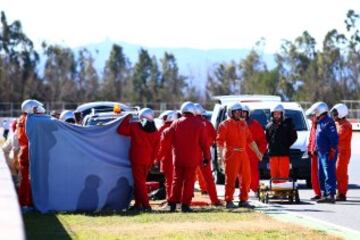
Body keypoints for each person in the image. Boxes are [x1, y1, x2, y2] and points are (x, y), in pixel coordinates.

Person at [164, 101, 210, 212]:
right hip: (192, 158)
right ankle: (185, 205)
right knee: (189, 182)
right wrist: (207, 157)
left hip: (178, 157)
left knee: (176, 181)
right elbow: (204, 143)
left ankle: (172, 203)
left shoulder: (176, 123)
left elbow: (167, 136)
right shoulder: (200, 124)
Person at [217, 103, 263, 209]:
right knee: (231, 179)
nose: (239, 113)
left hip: (243, 154)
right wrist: (220, 157)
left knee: (247, 178)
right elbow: (219, 142)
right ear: (231, 112)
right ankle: (229, 200)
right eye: (236, 111)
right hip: (231, 154)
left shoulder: (244, 124)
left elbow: (250, 140)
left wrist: (257, 152)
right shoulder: (224, 125)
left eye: (240, 111)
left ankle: (244, 200)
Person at [117, 108, 160, 212]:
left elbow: (120, 130)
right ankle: (138, 204)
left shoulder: (135, 126)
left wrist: (127, 117)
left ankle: (146, 205)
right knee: (140, 183)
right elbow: (156, 148)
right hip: (148, 160)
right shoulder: (156, 131)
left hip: (137, 159)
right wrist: (152, 161)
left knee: (139, 183)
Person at [17, 99, 46, 209]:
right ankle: (27, 203)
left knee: (25, 179)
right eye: (35, 108)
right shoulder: (30, 119)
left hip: (24, 152)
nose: (37, 109)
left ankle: (24, 202)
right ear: (30, 109)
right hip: (29, 152)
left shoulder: (22, 119)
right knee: (28, 179)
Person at [193, 103, 221, 206]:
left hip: (191, 153)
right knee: (208, 178)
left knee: (188, 178)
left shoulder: (189, 123)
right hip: (205, 154)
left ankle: (184, 201)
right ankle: (214, 200)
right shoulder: (207, 124)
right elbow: (214, 138)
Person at [311, 102, 338, 203]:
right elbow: (319, 137)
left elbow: (334, 137)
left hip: (328, 152)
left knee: (329, 173)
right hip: (321, 152)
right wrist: (316, 148)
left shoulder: (328, 122)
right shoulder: (320, 122)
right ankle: (324, 194)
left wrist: (333, 149)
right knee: (321, 174)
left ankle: (331, 195)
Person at [265, 104, 297, 183]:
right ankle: (276, 193)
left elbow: (294, 137)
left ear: (282, 114)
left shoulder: (288, 124)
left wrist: (285, 145)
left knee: (283, 177)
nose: (276, 116)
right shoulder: (269, 126)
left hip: (284, 155)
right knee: (274, 177)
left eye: (278, 114)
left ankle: (283, 193)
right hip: (273, 155)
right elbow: (267, 139)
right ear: (272, 114)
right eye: (275, 114)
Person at [241, 105, 267, 195]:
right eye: (241, 112)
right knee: (240, 174)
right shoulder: (234, 124)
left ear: (248, 113)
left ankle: (255, 189)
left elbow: (263, 141)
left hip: (252, 154)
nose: (242, 114)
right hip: (239, 154)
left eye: (244, 112)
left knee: (253, 173)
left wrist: (260, 152)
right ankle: (243, 191)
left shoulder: (255, 124)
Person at [330, 103, 352, 201]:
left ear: (341, 113)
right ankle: (338, 191)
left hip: (343, 153)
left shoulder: (346, 125)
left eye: (335, 114)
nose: (333, 116)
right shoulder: (337, 124)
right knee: (336, 172)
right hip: (337, 152)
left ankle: (342, 193)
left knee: (341, 172)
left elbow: (338, 137)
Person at [157, 110, 178, 200]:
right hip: (176, 157)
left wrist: (157, 158)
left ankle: (170, 199)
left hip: (167, 158)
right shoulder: (177, 127)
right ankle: (175, 198)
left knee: (169, 181)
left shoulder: (163, 129)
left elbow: (161, 146)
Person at [305, 105, 321, 200]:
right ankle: (317, 193)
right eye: (310, 116)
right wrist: (309, 149)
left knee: (320, 175)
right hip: (313, 154)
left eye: (312, 116)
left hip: (319, 154)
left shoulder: (321, 125)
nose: (311, 118)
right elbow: (311, 139)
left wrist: (317, 149)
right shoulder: (312, 126)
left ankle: (322, 192)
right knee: (313, 174)